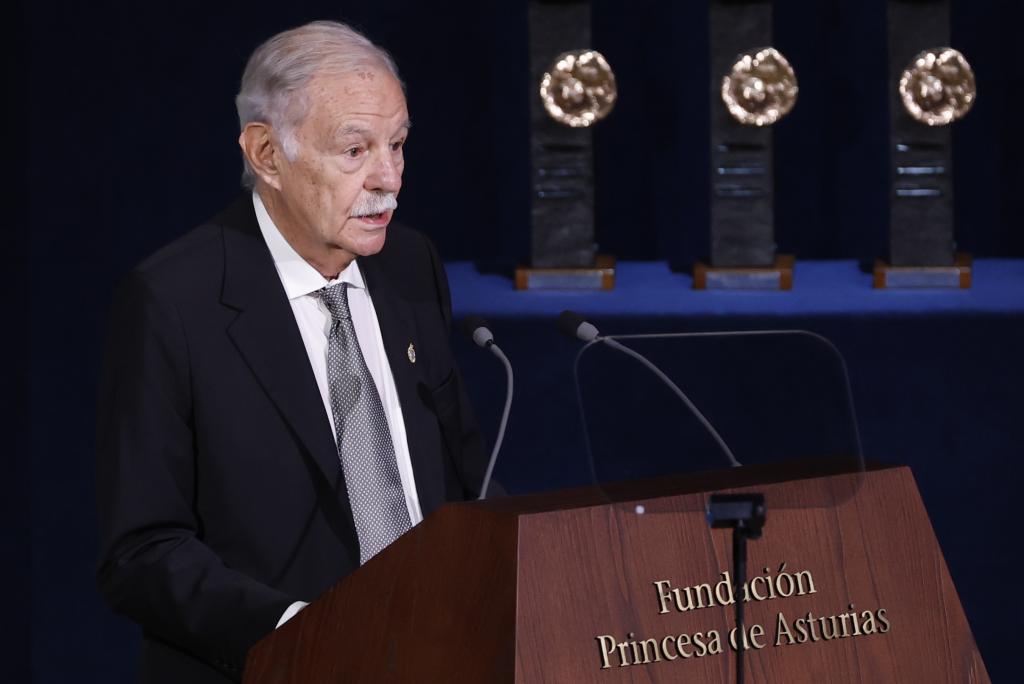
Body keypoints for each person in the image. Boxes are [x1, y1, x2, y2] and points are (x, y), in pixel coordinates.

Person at [96, 20, 488, 683]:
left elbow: (463, 479)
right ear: (267, 155)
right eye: (355, 150)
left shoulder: (410, 265)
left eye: (397, 145)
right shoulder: (174, 302)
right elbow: (141, 551)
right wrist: (300, 634)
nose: (388, 179)